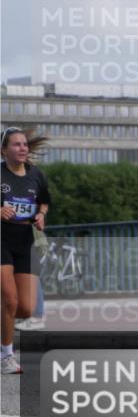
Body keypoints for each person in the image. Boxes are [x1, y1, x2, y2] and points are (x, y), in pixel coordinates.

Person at [1, 128, 50, 374]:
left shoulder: (36, 175)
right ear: (4, 150)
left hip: (25, 240)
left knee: (25, 308)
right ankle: (6, 356)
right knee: (9, 300)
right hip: (1, 238)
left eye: (24, 144)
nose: (22, 148)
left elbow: (44, 201)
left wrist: (40, 214)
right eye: (16, 144)